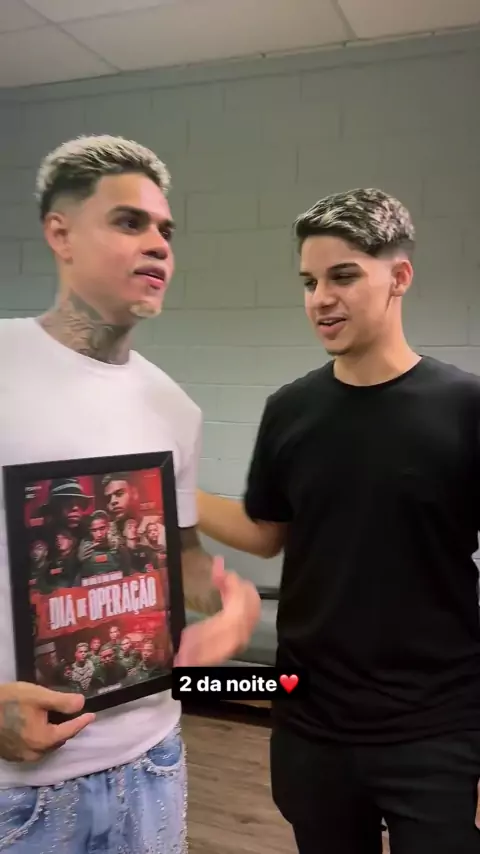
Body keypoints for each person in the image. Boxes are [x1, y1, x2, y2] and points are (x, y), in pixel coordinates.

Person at [196, 188, 480, 853]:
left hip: (436, 728)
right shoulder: (290, 409)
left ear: (399, 277)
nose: (320, 298)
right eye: (309, 281)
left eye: (343, 276)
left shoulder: (464, 407)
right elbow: (267, 532)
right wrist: (169, 490)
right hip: (311, 720)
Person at [0, 134, 260, 853]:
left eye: (166, 231)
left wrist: (228, 601)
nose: (158, 246)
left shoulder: (173, 407)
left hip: (152, 761)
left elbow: (181, 555)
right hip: (15, 790)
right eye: (128, 222)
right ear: (61, 235)